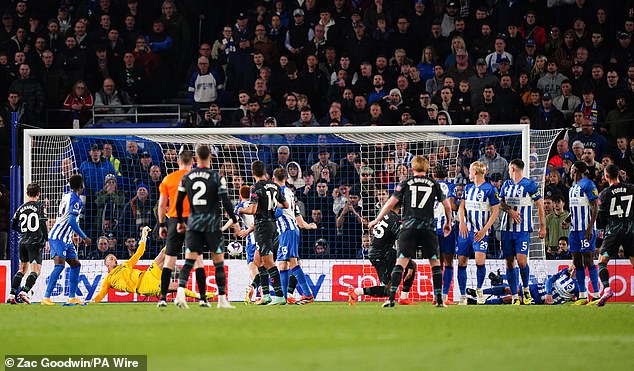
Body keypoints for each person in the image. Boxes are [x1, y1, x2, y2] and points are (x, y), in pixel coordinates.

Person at [368, 155, 452, 308]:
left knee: (401, 263)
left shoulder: (405, 183)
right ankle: (439, 300)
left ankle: (391, 299)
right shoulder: (434, 184)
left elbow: (390, 203)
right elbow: (446, 205)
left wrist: (377, 219)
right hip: (427, 228)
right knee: (435, 263)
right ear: (427, 168)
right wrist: (448, 222)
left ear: (412, 168)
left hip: (408, 228)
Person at [174, 145, 238, 309]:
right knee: (218, 262)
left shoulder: (187, 177)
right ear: (210, 157)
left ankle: (180, 293)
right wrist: (235, 222)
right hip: (212, 226)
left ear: (195, 158)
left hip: (194, 224)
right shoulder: (217, 177)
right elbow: (226, 202)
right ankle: (222, 300)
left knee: (189, 261)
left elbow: (179, 202)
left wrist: (181, 221)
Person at [93, 227, 212, 302]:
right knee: (176, 286)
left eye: (113, 257)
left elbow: (139, 253)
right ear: (106, 264)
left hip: (148, 274)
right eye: (110, 258)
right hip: (144, 285)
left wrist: (143, 236)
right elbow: (101, 294)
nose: (113, 258)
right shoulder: (109, 279)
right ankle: (201, 296)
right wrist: (92, 302)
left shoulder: (125, 265)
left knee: (163, 253)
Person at [238, 160, 289, 305]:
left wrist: (242, 210)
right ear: (265, 172)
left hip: (262, 227)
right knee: (257, 260)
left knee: (268, 262)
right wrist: (271, 205)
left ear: (252, 172)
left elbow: (253, 210)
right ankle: (265, 295)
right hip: (273, 225)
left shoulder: (255, 187)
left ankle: (279, 295)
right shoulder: (274, 186)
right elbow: (285, 204)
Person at [348, 203, 418, 305]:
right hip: (380, 255)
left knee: (412, 265)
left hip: (384, 252)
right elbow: (403, 242)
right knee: (388, 290)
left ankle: (404, 298)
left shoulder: (384, 215)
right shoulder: (395, 221)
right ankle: (356, 292)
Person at [498, 159, 546, 305]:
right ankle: (514, 296)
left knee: (521, 260)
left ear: (512, 168)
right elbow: (499, 203)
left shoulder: (529, 184)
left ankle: (525, 290)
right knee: (509, 262)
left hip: (522, 230)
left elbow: (540, 205)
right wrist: (510, 210)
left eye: (509, 168)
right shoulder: (506, 185)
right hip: (506, 229)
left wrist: (542, 226)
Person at [41, 174, 91, 306]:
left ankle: (71, 297)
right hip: (58, 236)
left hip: (66, 238)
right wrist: (84, 237)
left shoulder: (66, 196)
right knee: (59, 265)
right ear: (81, 186)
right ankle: (46, 298)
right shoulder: (76, 200)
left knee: (75, 264)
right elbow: (71, 221)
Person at [156, 147, 196, 308]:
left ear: (178, 161)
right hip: (193, 220)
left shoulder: (168, 179)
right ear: (192, 163)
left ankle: (163, 298)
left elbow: (161, 205)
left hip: (173, 220)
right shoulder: (196, 178)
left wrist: (161, 224)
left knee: (169, 260)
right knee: (195, 259)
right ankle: (193, 297)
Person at [456, 161, 500, 305]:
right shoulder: (468, 188)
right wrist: (461, 223)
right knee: (462, 262)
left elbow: (496, 211)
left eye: (469, 171)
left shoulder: (490, 189)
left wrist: (485, 229)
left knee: (480, 262)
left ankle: (479, 290)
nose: (468, 174)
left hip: (480, 232)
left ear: (475, 173)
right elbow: (461, 207)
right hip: (465, 231)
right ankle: (463, 295)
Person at [271, 168, 317, 304]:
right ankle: (283, 297)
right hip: (290, 230)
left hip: (287, 230)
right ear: (286, 178)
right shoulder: (290, 193)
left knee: (291, 262)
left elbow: (278, 213)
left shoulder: (277, 193)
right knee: (282, 264)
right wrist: (309, 225)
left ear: (273, 179)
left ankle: (308, 294)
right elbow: (298, 217)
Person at [595, 164, 634, 306]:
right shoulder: (631, 188)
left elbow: (602, 217)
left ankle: (607, 289)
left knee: (602, 262)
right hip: (630, 228)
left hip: (614, 229)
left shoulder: (604, 194)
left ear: (606, 176)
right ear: (619, 173)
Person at [564, 161, 601, 305]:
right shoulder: (572, 188)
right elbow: (574, 210)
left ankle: (596, 295)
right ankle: (582, 295)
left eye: (573, 169)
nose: (570, 171)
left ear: (578, 171)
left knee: (588, 259)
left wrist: (590, 228)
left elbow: (595, 208)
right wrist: (567, 220)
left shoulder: (588, 184)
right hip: (574, 230)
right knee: (577, 261)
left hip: (585, 229)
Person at [7, 182, 47, 304]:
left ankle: (11, 295)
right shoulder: (40, 206)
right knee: (35, 271)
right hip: (34, 243)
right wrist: (47, 239)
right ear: (39, 194)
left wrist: (23, 231)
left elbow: (13, 225)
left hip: (22, 242)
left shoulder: (21, 208)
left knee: (22, 270)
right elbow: (42, 224)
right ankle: (24, 292)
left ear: (27, 193)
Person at [466, 265, 580, 305]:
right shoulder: (564, 272)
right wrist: (550, 293)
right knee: (510, 289)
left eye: (575, 266)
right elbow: (550, 280)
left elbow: (579, 299)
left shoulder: (578, 286)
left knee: (510, 299)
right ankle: (478, 293)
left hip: (540, 300)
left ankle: (479, 302)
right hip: (536, 288)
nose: (572, 267)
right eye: (572, 264)